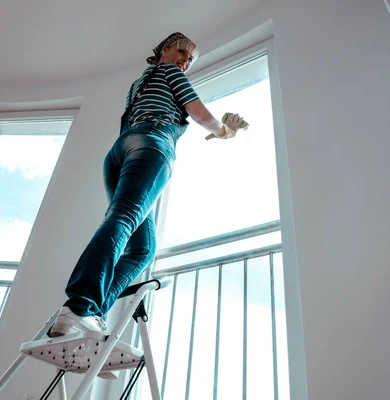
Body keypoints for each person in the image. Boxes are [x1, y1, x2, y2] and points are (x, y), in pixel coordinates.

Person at [49, 32, 248, 338]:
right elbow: (197, 111)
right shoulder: (169, 72)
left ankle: (92, 315)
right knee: (125, 218)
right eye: (182, 51)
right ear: (165, 49)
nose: (185, 61)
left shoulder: (139, 84)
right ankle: (80, 305)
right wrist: (224, 131)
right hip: (151, 146)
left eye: (190, 59)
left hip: (119, 153)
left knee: (143, 246)